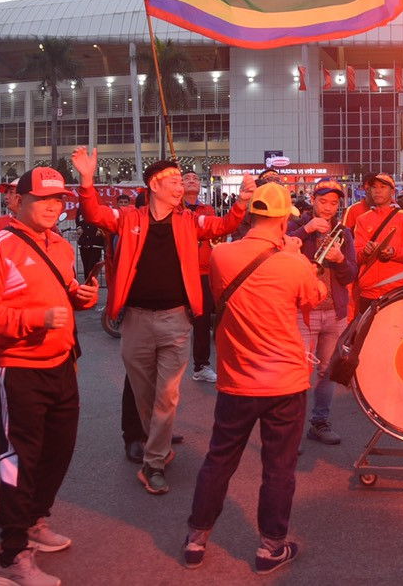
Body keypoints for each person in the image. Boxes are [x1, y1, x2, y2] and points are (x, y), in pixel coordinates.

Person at [73, 147, 253, 495]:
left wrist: (242, 201)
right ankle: (160, 445)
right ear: (154, 185)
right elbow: (93, 212)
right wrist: (86, 178)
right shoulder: (128, 218)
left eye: (180, 181)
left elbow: (226, 224)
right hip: (136, 322)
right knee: (145, 395)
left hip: (176, 322)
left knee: (167, 395)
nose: (179, 186)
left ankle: (153, 463)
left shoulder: (190, 221)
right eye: (172, 181)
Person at [0, 166, 100, 586]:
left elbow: (63, 300)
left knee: (58, 453)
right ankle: (10, 557)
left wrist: (83, 298)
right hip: (20, 370)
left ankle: (34, 522)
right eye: (42, 199)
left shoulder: (61, 246)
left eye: (57, 200)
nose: (51, 207)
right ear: (19, 201)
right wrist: (36, 317)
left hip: (63, 364)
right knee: (18, 462)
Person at [182, 182, 322, 573]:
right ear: (281, 220)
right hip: (285, 382)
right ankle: (270, 547)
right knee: (279, 468)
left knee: (219, 460)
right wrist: (298, 257)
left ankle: (196, 538)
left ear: (252, 215)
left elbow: (219, 290)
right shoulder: (292, 262)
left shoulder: (222, 254)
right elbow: (314, 297)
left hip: (236, 380)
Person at [287, 178, 357, 446]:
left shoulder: (344, 232)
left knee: (327, 371)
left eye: (333, 203)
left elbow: (351, 273)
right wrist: (306, 229)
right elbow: (280, 252)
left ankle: (319, 422)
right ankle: (290, 432)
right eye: (323, 201)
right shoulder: (295, 227)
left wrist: (340, 261)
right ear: (313, 200)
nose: (327, 208)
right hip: (304, 310)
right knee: (297, 372)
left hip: (334, 312)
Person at [351, 172, 403, 320]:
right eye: (374, 187)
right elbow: (355, 256)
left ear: (392, 191)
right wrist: (365, 251)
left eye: (383, 187)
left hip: (396, 289)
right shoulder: (362, 219)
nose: (377, 190)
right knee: (368, 337)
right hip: (368, 290)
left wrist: (393, 252)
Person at [180, 169, 220, 385]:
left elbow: (214, 233)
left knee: (203, 321)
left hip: (204, 272)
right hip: (178, 271)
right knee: (174, 321)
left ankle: (201, 366)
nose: (192, 180)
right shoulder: (176, 208)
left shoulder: (208, 209)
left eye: (195, 178)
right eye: (187, 178)